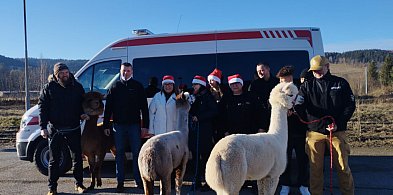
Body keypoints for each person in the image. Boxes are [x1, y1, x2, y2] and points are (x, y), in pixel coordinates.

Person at [296, 55, 356, 195]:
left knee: (342, 167)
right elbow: (299, 104)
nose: (317, 72)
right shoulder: (306, 86)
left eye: (319, 69)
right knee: (315, 169)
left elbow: (350, 105)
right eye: (314, 70)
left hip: (336, 132)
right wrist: (293, 108)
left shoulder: (341, 83)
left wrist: (339, 123)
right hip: (314, 133)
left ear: (327, 66)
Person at [38, 62, 89, 195]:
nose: (65, 75)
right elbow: (42, 108)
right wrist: (42, 127)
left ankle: (79, 184)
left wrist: (82, 113)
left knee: (77, 157)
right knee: (54, 160)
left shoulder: (76, 87)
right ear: (56, 75)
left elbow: (81, 104)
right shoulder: (48, 88)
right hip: (55, 129)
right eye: (62, 73)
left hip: (73, 127)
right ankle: (52, 187)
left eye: (66, 72)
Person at [103, 62, 149, 192]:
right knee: (119, 154)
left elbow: (144, 108)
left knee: (137, 153)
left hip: (134, 125)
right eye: (123, 71)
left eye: (128, 71)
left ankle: (138, 180)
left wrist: (145, 126)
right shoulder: (114, 86)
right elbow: (108, 108)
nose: (125, 73)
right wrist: (106, 124)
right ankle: (120, 182)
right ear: (120, 71)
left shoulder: (138, 86)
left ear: (132, 71)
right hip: (119, 126)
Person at [276, 66, 310, 195]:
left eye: (283, 80)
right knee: (285, 159)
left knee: (303, 159)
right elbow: (272, 108)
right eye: (280, 80)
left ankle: (304, 185)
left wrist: (296, 111)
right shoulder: (277, 92)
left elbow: (307, 108)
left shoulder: (301, 89)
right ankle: (285, 184)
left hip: (301, 131)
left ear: (290, 78)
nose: (281, 83)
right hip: (284, 132)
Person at [188, 75, 218, 191]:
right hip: (195, 131)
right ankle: (196, 180)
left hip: (205, 131)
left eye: (195, 85)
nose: (193, 87)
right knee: (195, 157)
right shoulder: (194, 96)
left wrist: (199, 117)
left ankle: (209, 182)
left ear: (201, 85)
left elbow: (214, 111)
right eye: (193, 85)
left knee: (206, 157)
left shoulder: (207, 96)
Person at [248, 62, 279, 132]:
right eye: (258, 71)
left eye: (262, 70)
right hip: (260, 116)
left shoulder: (277, 82)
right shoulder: (254, 85)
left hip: (275, 114)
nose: (260, 73)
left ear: (268, 69)